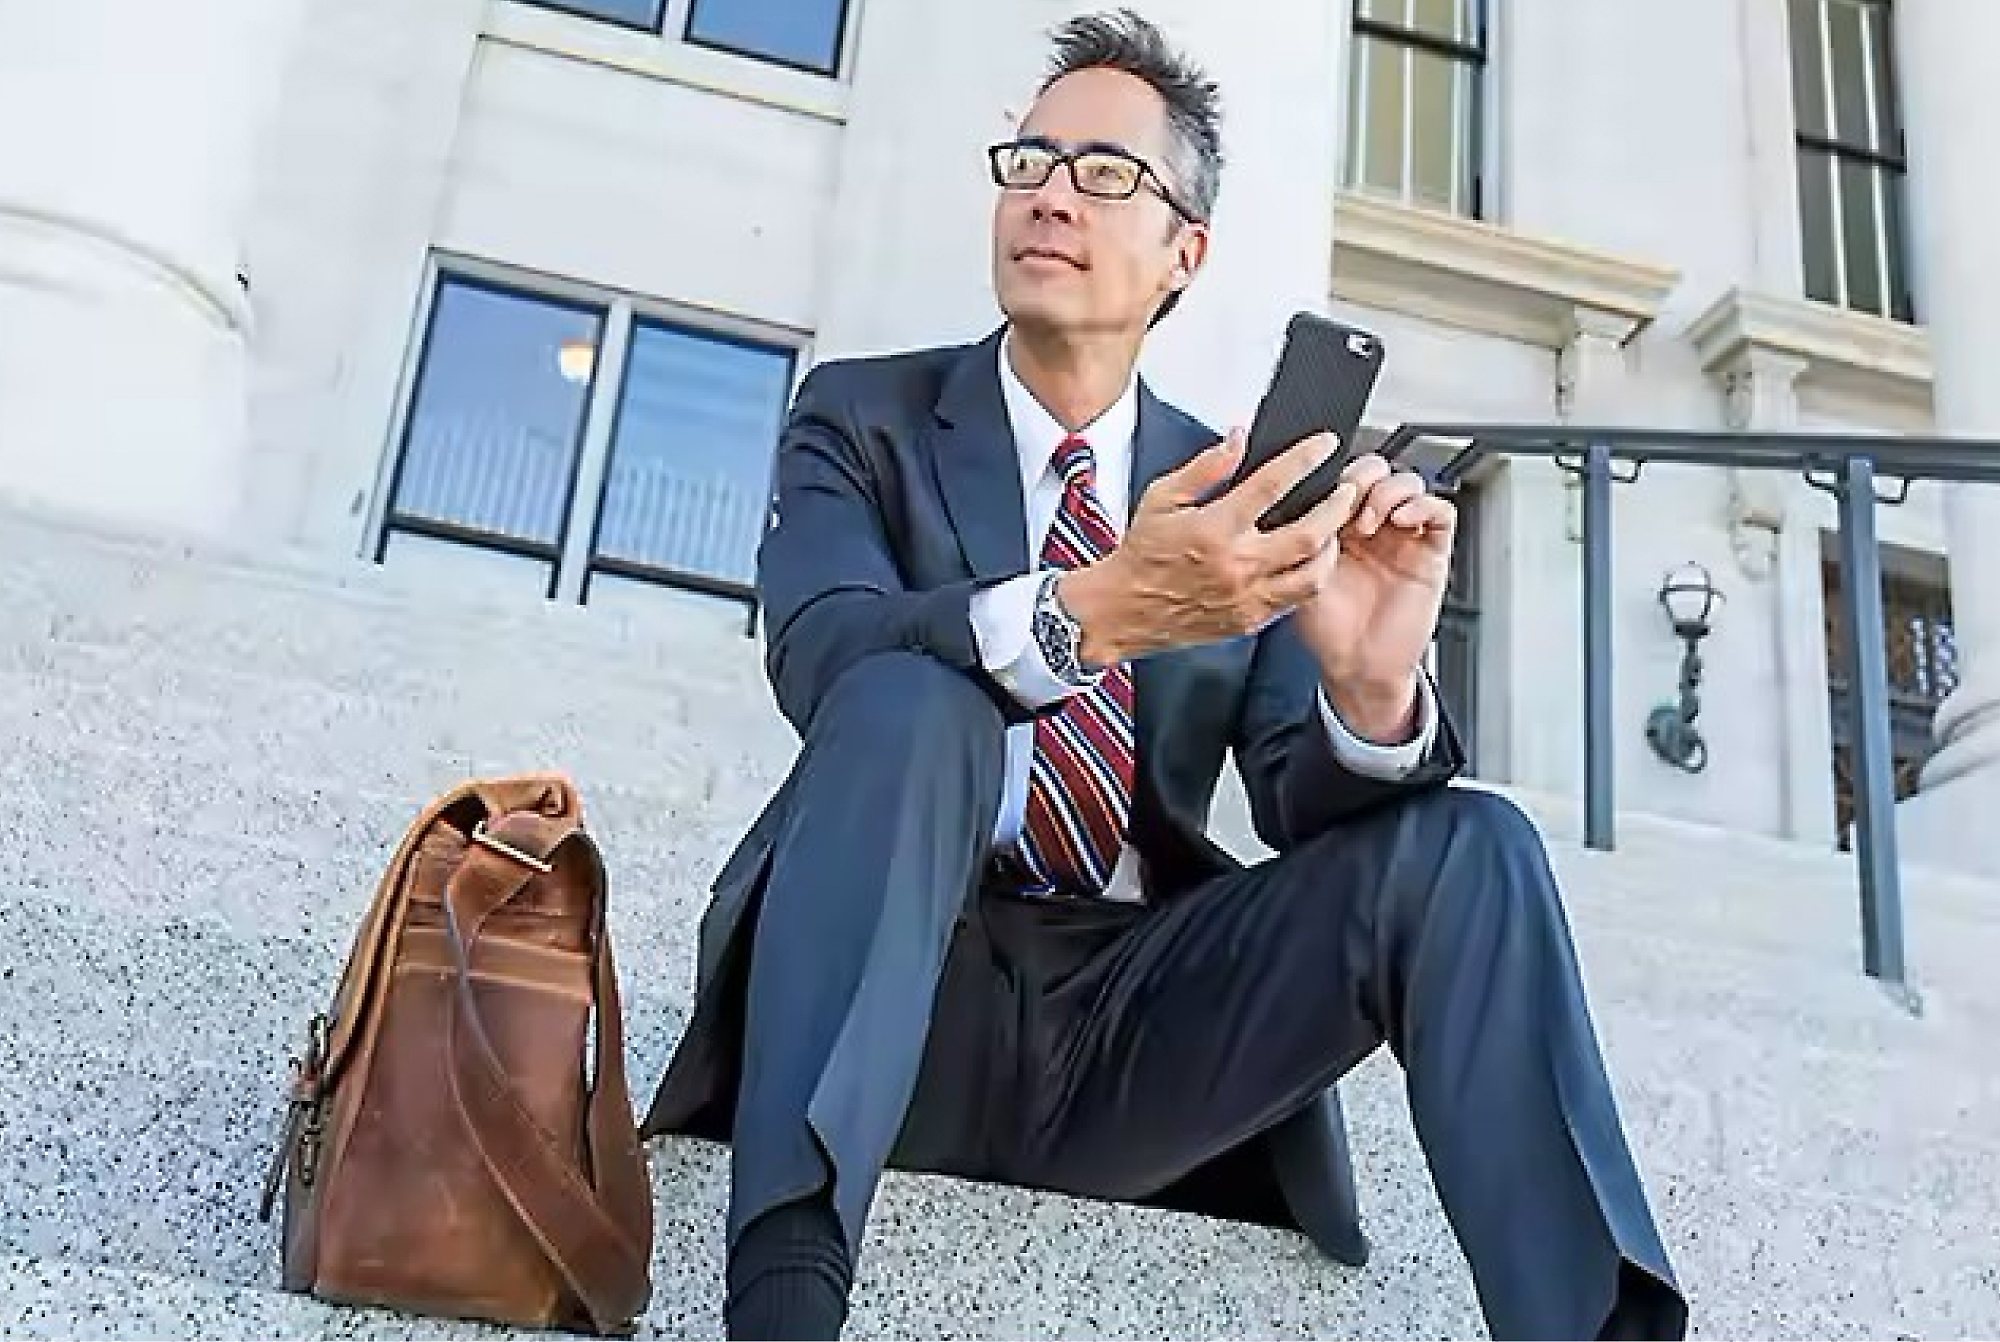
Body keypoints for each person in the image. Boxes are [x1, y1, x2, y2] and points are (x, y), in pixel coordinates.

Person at [641, 9, 1687, 1339]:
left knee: (1476, 844)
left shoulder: (1228, 491)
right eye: (1028, 161)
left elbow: (1306, 812)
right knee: (912, 694)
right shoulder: (864, 417)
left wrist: (1371, 693)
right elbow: (826, 652)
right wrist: (1094, 613)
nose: (1049, 196)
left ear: (1184, 250)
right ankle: (783, 1302)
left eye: (1103, 173)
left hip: (1134, 1034)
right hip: (902, 995)